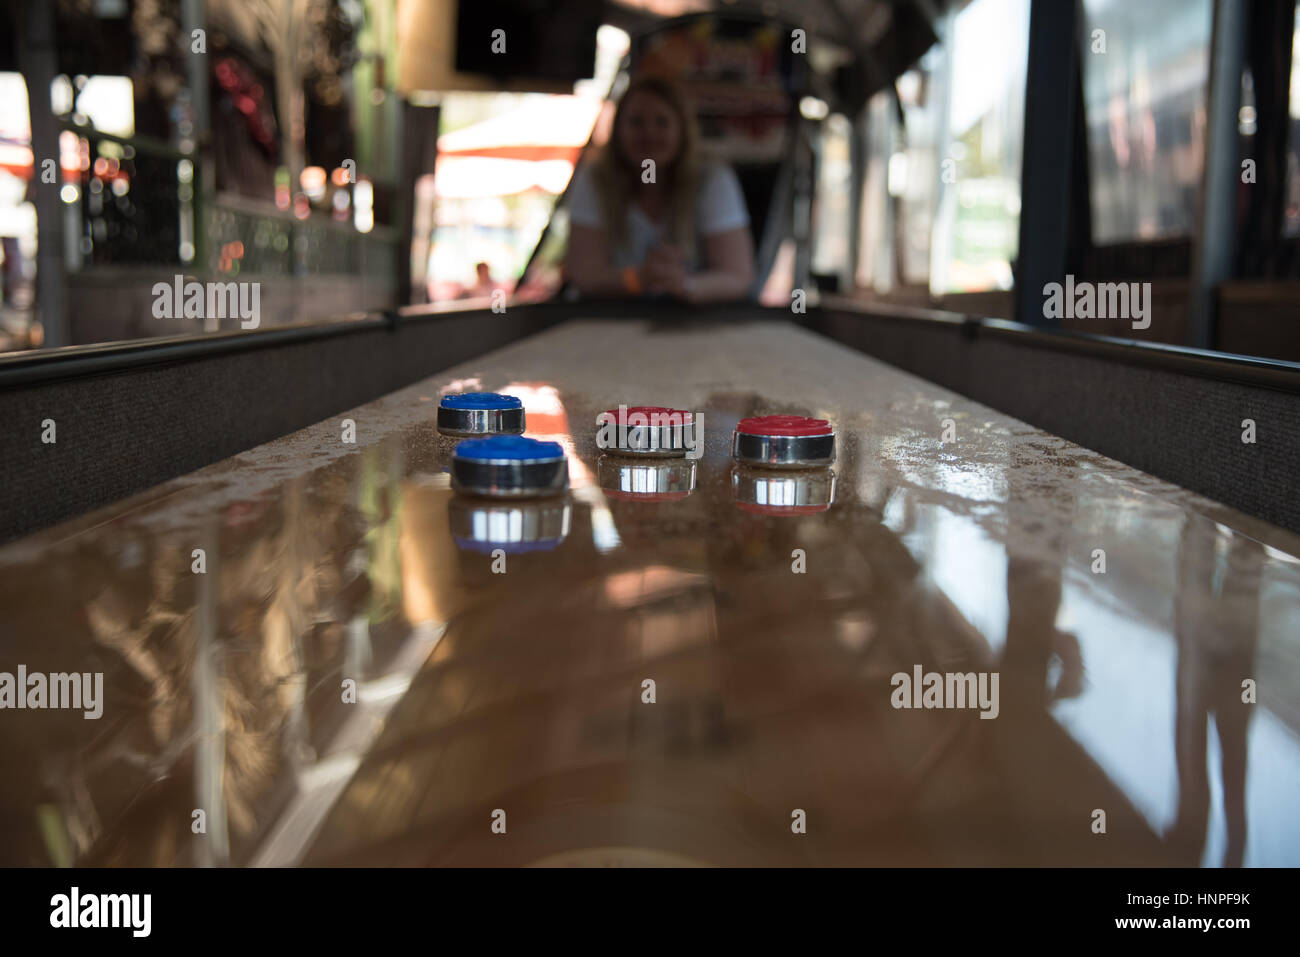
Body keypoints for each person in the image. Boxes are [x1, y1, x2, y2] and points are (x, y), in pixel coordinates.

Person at [564, 76, 755, 303]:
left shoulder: (712, 180)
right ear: (618, 131)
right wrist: (638, 279)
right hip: (609, 318)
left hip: (690, 322)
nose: (649, 134)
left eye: (662, 122)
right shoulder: (595, 180)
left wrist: (684, 285)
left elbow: (738, 276)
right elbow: (583, 274)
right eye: (636, 122)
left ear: (682, 130)